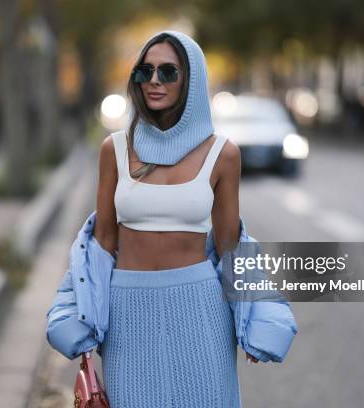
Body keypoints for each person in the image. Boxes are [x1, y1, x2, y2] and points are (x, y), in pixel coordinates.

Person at [94, 30, 249, 407]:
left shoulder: (223, 154)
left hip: (200, 307)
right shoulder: (113, 150)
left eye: (168, 72)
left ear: (191, 80)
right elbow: (101, 242)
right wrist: (81, 315)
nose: (153, 82)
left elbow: (230, 247)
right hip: (127, 310)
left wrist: (255, 321)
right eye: (144, 72)